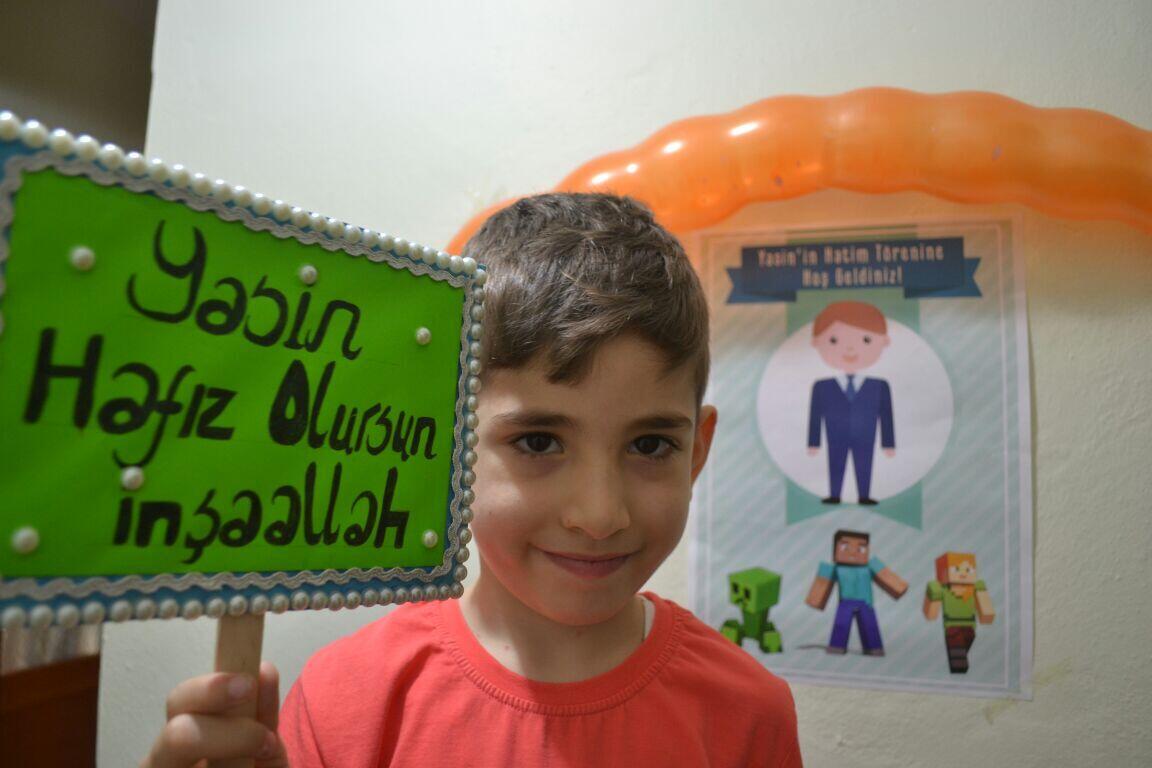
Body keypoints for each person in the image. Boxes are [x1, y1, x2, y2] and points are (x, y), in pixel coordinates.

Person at [142, 193, 801, 767]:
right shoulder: (347, 699)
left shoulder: (748, 715)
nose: (600, 515)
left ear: (696, 452)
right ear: (450, 441)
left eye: (650, 445)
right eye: (538, 441)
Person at [806, 301, 895, 505]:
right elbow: (815, 415)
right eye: (834, 340)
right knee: (835, 462)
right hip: (835, 436)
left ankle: (864, 495)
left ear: (885, 341)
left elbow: (886, 415)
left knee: (865, 463)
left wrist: (888, 443)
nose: (850, 348)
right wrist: (813, 442)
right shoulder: (822, 386)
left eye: (866, 340)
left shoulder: (879, 386)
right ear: (816, 342)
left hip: (866, 436)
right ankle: (834, 494)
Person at [804, 529, 907, 656]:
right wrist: (815, 599)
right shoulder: (836, 568)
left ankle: (874, 648)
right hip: (845, 603)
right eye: (845, 547)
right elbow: (821, 585)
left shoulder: (871, 566)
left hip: (866, 603)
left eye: (861, 548)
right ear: (835, 549)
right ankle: (837, 646)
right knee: (841, 624)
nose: (853, 552)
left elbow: (889, 578)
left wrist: (899, 588)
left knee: (869, 626)